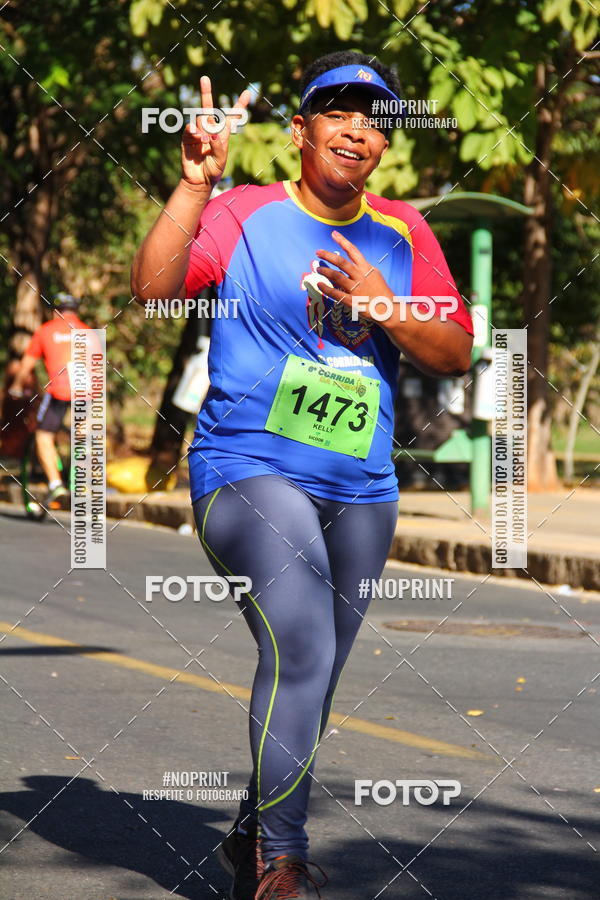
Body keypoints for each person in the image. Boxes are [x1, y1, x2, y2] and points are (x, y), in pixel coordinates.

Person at [132, 50, 473, 900]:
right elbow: (153, 289)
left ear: (385, 143)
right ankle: (279, 864)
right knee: (304, 641)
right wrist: (193, 188)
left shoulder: (402, 232)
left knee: (313, 675)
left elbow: (455, 350)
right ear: (299, 130)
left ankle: (251, 831)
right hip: (244, 468)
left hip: (362, 492)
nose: (357, 129)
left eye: (374, 119)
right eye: (337, 111)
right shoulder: (243, 212)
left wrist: (385, 305)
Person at [10, 293, 89, 505]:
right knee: (82, 433)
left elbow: (26, 364)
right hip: (86, 391)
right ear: (75, 311)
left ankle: (55, 485)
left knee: (43, 436)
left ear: (56, 312)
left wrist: (16, 386)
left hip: (59, 391)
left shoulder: (46, 330)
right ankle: (82, 479)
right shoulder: (88, 332)